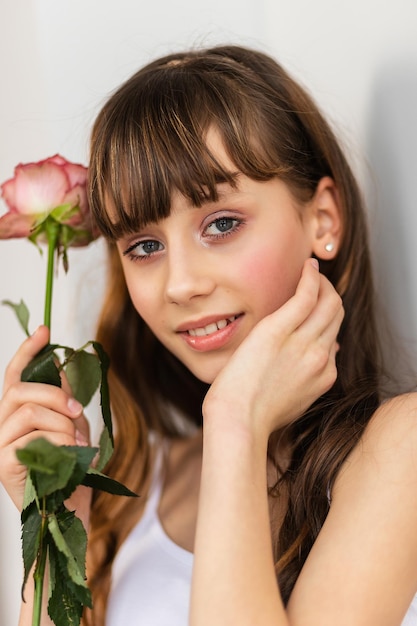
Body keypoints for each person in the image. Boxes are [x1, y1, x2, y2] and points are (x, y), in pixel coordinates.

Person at [1, 44, 417, 626]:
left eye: (222, 224)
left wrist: (235, 421)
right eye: (144, 247)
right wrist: (55, 515)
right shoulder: (139, 478)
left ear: (322, 219)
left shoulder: (401, 448)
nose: (181, 284)